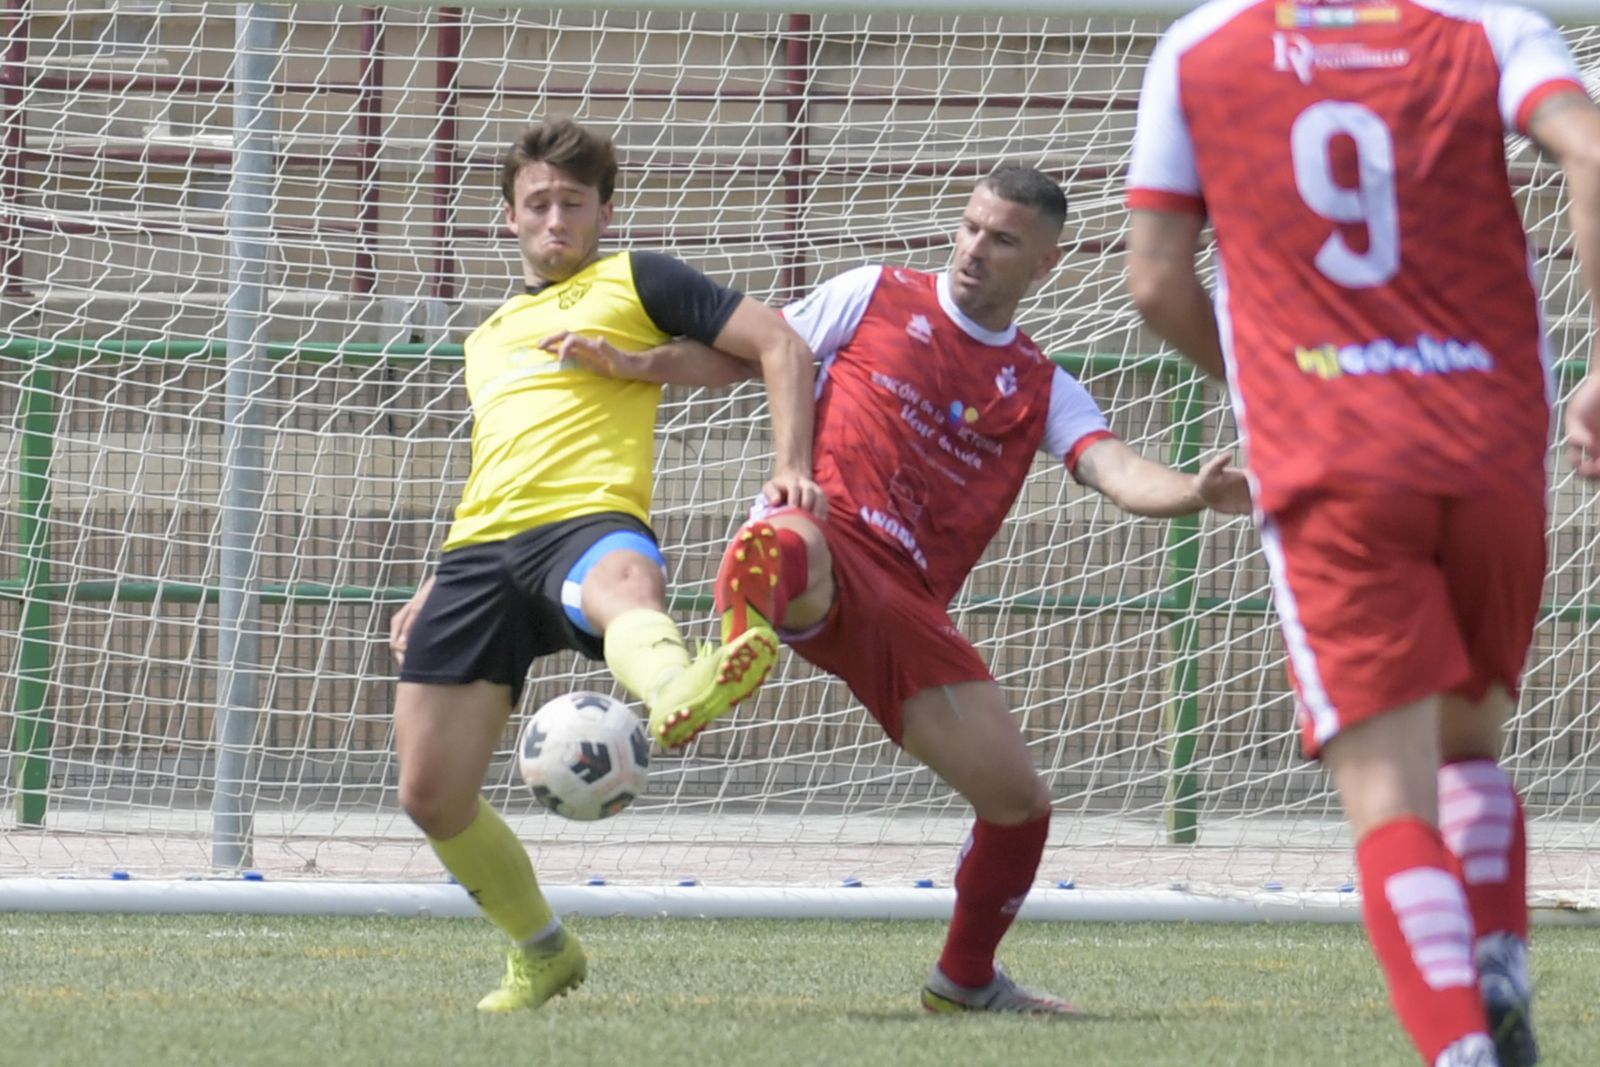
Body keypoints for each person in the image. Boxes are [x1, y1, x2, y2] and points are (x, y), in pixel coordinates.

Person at [554, 165, 1253, 1014]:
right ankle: (726, 656)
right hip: (825, 537)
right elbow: (745, 353)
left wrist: (1193, 490)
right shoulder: (874, 293)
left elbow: (1116, 470)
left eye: (1002, 240)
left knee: (1019, 803)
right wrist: (635, 363)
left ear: (1046, 263)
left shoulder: (1042, 385)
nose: (974, 249)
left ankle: (965, 980)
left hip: (906, 606)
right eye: (969, 226)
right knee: (786, 534)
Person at [1125, 3, 1600, 1065]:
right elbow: (1591, 149)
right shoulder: (1489, 28)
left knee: (1390, 799)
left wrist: (1269, 389)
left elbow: (1153, 281)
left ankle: (1460, 1044)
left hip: (1335, 458)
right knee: (1469, 750)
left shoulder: (1201, 47)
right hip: (1488, 444)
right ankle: (1495, 964)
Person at [385, 118, 824, 1013]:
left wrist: (788, 465)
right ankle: (543, 951)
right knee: (430, 794)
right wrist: (435, 578)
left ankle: (680, 687)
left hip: (586, 522)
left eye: (574, 203)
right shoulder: (487, 336)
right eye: (539, 204)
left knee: (621, 588)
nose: (557, 219)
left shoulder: (638, 279)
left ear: (603, 211)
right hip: (479, 551)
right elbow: (497, 460)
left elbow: (777, 345)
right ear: (510, 217)